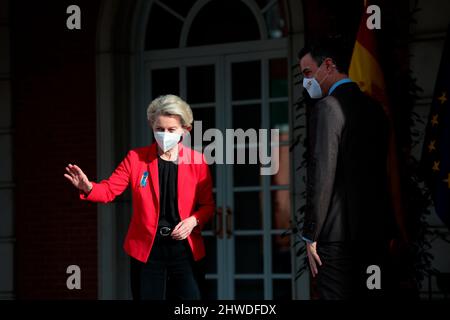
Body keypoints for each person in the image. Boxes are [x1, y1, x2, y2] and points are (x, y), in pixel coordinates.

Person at [64, 94, 215, 300]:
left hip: (185, 249)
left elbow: (207, 206)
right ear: (152, 126)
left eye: (171, 130)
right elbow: (109, 190)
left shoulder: (197, 162)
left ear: (185, 130)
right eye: (159, 129)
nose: (164, 134)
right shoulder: (136, 158)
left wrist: (192, 221)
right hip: (147, 250)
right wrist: (89, 187)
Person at [298, 42, 395, 299]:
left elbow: (321, 174)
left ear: (328, 65)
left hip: (337, 239)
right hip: (376, 234)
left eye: (308, 73)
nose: (305, 82)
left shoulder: (328, 108)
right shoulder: (376, 109)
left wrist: (311, 233)